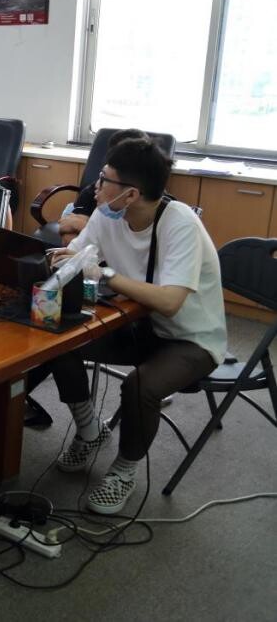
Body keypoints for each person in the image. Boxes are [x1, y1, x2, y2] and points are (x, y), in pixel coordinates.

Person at [27, 137, 226, 514]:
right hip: (138, 324)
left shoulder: (180, 223)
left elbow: (169, 302)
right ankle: (89, 431)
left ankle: (124, 469)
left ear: (131, 194)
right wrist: (57, 261)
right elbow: (77, 256)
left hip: (190, 339)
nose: (95, 186)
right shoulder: (107, 213)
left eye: (104, 179)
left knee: (140, 386)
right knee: (57, 342)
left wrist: (105, 274)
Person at [56, 128, 151, 245]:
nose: (98, 185)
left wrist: (85, 227)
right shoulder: (98, 197)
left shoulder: (161, 210)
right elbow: (70, 238)